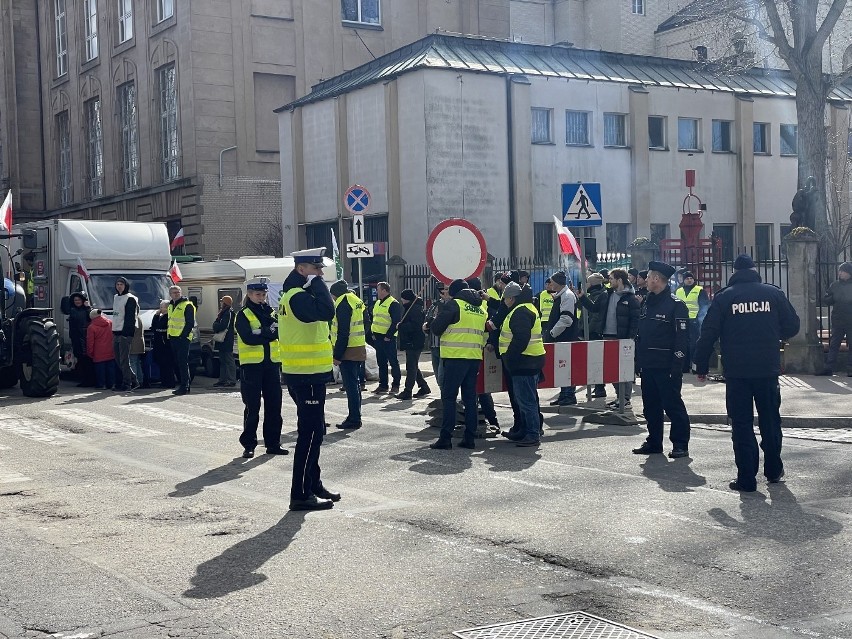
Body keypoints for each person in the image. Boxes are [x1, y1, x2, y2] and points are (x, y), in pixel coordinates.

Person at [694, 254, 800, 491]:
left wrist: (700, 365)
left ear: (733, 271)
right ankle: (774, 470)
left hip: (737, 372)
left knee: (741, 424)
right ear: (754, 269)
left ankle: (746, 479)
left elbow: (708, 333)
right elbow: (793, 325)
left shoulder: (725, 297)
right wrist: (774, 334)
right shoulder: (773, 294)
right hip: (767, 369)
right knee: (770, 421)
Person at [278, 247, 339, 511]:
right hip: (304, 375)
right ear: (302, 269)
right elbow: (327, 311)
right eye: (316, 269)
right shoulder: (296, 297)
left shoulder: (297, 294)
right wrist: (319, 284)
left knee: (317, 432)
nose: (321, 273)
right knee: (310, 435)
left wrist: (315, 282)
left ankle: (313, 483)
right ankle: (300, 493)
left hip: (309, 373)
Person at [632, 261, 691, 458]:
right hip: (648, 364)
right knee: (651, 407)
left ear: (657, 279)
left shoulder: (676, 305)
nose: (646, 281)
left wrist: (677, 365)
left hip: (666, 366)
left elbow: (682, 339)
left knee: (673, 405)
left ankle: (680, 444)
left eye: (648, 277)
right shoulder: (648, 302)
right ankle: (654, 441)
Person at [428, 278, 487, 450]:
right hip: (474, 358)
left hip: (455, 358)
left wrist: (430, 323)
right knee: (470, 399)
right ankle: (470, 438)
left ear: (453, 292)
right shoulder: (479, 308)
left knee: (449, 398)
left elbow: (437, 328)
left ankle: (445, 438)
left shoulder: (454, 305)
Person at [236, 278, 286, 458]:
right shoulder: (243, 314)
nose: (262, 297)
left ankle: (273, 443)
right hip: (252, 367)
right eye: (258, 294)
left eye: (264, 294)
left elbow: (278, 332)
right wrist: (267, 333)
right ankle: (249, 444)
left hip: (271, 365)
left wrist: (263, 333)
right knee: (252, 407)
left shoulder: (271, 312)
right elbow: (248, 337)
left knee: (274, 407)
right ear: (249, 294)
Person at [578, 268, 640, 409]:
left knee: (624, 370)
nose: (609, 281)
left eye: (611, 278)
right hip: (606, 337)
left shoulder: (631, 298)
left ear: (619, 280)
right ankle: (619, 397)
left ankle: (625, 399)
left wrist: (630, 338)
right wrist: (582, 297)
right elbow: (594, 309)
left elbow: (635, 321)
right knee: (611, 370)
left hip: (622, 339)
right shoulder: (606, 294)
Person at [498, 282, 545, 447]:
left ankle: (532, 434)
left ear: (511, 298)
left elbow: (521, 339)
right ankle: (525, 431)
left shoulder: (520, 312)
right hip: (530, 360)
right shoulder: (527, 308)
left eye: (505, 298)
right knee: (526, 399)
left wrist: (509, 358)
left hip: (524, 362)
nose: (504, 301)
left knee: (526, 401)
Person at [329, 280, 367, 428]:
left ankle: (354, 419)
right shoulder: (355, 300)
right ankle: (355, 416)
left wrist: (337, 355)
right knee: (355, 384)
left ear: (335, 294)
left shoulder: (342, 303)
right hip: (358, 346)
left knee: (351, 385)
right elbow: (367, 322)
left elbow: (343, 332)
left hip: (347, 349)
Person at [543, 271, 579, 406]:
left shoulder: (567, 296)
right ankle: (565, 394)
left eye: (551, 281)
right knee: (562, 368)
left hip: (565, 338)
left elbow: (566, 319)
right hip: (562, 339)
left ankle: (568, 395)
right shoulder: (562, 295)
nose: (549, 284)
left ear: (557, 283)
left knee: (566, 367)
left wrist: (552, 333)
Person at [818, 261, 852, 376]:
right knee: (834, 344)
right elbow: (827, 299)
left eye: (843, 271)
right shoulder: (835, 285)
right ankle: (829, 368)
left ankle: (850, 368)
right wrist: (829, 297)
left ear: (849, 273)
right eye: (840, 271)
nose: (840, 273)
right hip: (838, 319)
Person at [396, 288, 430, 400]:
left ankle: (408, 390)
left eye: (403, 299)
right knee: (413, 365)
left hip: (414, 341)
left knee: (411, 367)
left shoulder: (414, 309)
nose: (401, 301)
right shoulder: (411, 307)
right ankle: (424, 387)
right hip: (411, 341)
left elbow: (415, 326)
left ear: (406, 299)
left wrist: (401, 327)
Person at [371, 281, 402, 394]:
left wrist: (388, 336)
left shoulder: (393, 303)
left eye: (378, 290)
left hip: (388, 338)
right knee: (381, 363)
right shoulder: (378, 303)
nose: (377, 292)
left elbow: (396, 322)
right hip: (378, 338)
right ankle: (383, 385)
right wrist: (373, 334)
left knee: (393, 362)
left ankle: (396, 385)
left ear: (384, 290)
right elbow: (375, 318)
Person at [582, 272, 608, 398]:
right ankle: (598, 387)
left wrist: (587, 331)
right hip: (592, 332)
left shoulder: (597, 296)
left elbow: (595, 316)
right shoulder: (592, 295)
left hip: (594, 333)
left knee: (596, 361)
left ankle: (599, 388)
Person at [675, 270, 710, 365]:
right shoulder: (679, 291)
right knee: (683, 343)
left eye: (691, 278)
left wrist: (700, 318)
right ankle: (685, 364)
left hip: (695, 320)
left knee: (694, 343)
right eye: (687, 278)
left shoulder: (699, 290)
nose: (689, 280)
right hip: (682, 320)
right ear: (684, 280)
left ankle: (694, 363)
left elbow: (704, 305)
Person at [167, 285, 195, 395]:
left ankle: (185, 385)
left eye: (178, 292)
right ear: (170, 294)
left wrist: (183, 336)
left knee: (183, 362)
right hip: (173, 337)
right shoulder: (170, 305)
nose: (176, 294)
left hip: (182, 338)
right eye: (174, 292)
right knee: (178, 362)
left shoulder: (187, 305)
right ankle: (183, 384)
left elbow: (190, 323)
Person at [112, 277, 139, 391]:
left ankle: (127, 383)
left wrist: (127, 334)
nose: (119, 286)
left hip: (124, 333)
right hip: (116, 332)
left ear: (126, 285)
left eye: (121, 284)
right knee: (118, 360)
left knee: (124, 360)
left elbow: (130, 318)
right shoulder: (116, 297)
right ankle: (134, 380)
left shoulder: (130, 299)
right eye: (117, 284)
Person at [424, 281, 449, 390]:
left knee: (443, 376)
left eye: (446, 289)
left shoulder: (451, 304)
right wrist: (426, 326)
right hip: (433, 344)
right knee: (438, 376)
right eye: (441, 289)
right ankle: (443, 395)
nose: (443, 291)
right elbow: (427, 319)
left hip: (444, 345)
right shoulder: (434, 305)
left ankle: (445, 398)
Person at [66, 291, 94, 386]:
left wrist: (88, 307)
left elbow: (91, 318)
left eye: (79, 300)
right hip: (76, 338)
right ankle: (85, 379)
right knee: (80, 359)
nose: (77, 301)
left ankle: (89, 380)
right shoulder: (72, 310)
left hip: (85, 337)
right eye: (75, 300)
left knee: (87, 360)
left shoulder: (86, 310)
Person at [86, 309, 116, 390]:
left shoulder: (91, 327)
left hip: (98, 351)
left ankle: (101, 385)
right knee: (111, 368)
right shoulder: (110, 323)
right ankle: (112, 384)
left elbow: (90, 341)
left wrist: (90, 352)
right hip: (110, 349)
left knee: (100, 369)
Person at [212, 295, 237, 388]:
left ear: (225, 303)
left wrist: (215, 325)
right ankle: (222, 380)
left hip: (226, 339)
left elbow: (223, 325)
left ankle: (231, 380)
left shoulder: (228, 313)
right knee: (222, 360)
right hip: (223, 340)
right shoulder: (224, 312)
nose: (221, 303)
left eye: (222, 301)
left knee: (229, 360)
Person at [151, 300, 175, 388]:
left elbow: (158, 327)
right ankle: (164, 382)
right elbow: (154, 327)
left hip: (165, 344)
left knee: (167, 365)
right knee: (162, 364)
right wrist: (156, 316)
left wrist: (156, 316)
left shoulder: (168, 317)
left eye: (162, 307)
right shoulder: (162, 317)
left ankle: (168, 382)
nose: (160, 309)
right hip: (160, 344)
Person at [129, 315, 146, 388]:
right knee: (137, 363)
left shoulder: (133, 318)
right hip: (138, 343)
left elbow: (131, 331)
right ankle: (140, 380)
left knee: (132, 362)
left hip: (133, 343)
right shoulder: (138, 317)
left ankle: (135, 382)